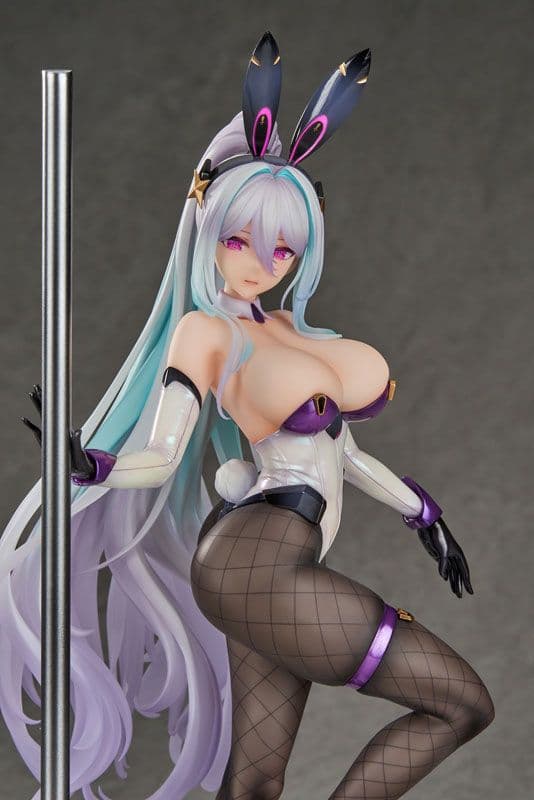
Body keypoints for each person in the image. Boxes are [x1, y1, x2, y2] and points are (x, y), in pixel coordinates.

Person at [2, 32, 493, 800]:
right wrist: (93, 464)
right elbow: (163, 455)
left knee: (256, 781)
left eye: (282, 249)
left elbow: (344, 453)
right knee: (460, 703)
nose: (260, 261)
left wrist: (423, 516)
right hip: (259, 558)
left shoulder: (294, 332)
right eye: (240, 239)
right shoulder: (207, 333)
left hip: (272, 562)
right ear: (210, 232)